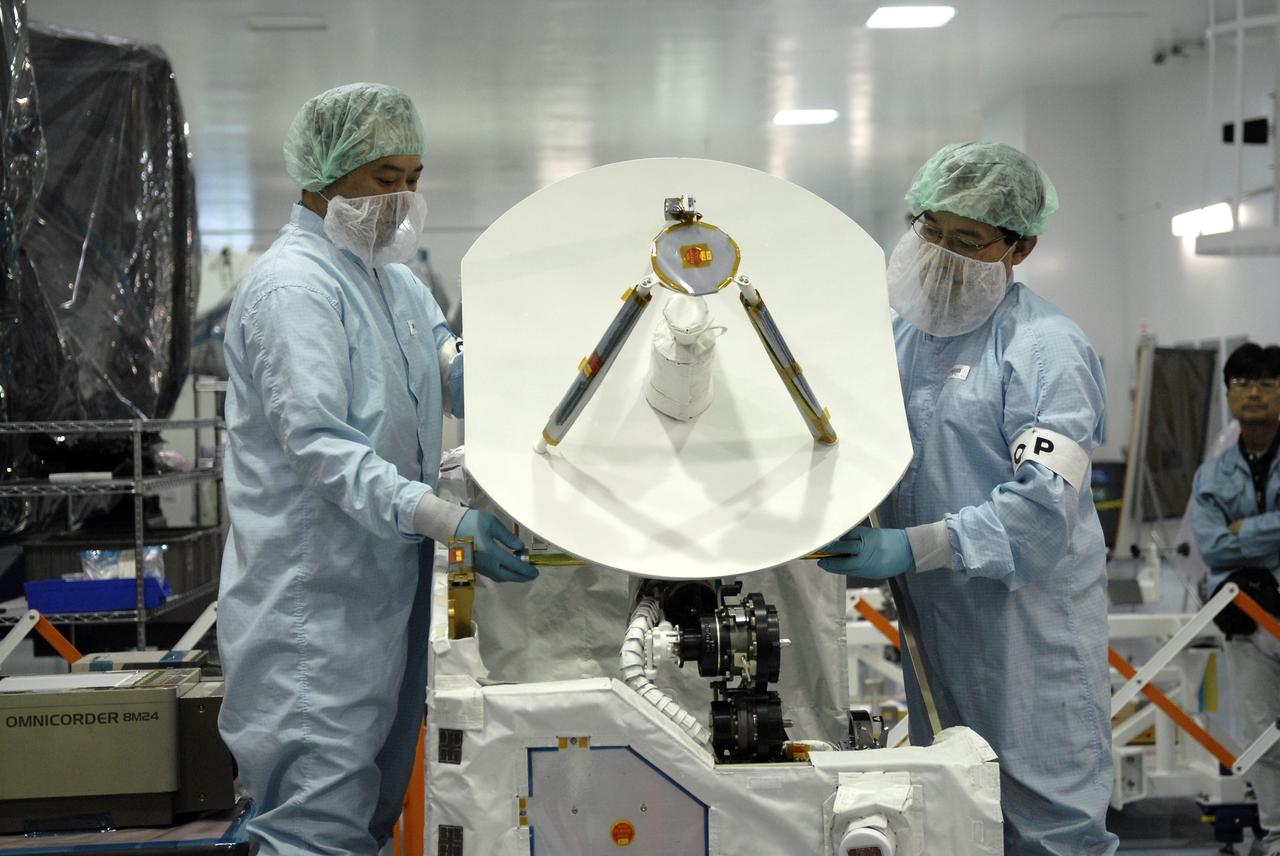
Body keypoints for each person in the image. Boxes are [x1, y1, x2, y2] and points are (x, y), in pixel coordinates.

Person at [217, 83, 537, 855]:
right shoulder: (294, 287)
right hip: (314, 609)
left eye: (414, 179)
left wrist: (542, 373)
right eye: (383, 178)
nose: (402, 199)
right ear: (322, 174)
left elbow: (451, 366)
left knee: (368, 817)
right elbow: (323, 447)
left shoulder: (392, 280)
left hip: (386, 597)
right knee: (312, 826)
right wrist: (449, 519)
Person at [819, 141, 1117, 855]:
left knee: (1048, 832)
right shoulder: (900, 340)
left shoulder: (1046, 350)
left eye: (969, 240)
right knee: (954, 820)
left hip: (1029, 641)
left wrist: (913, 545)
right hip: (936, 632)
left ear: (1020, 247)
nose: (943, 253)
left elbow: (1044, 509)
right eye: (931, 231)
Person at [1189, 342, 1280, 856]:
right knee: (1263, 736)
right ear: (1227, 395)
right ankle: (1276, 835)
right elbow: (1213, 544)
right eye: (1243, 384)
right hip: (1250, 622)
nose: (1254, 394)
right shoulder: (1213, 476)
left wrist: (1250, 529)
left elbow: (1231, 539)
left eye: (1266, 383)